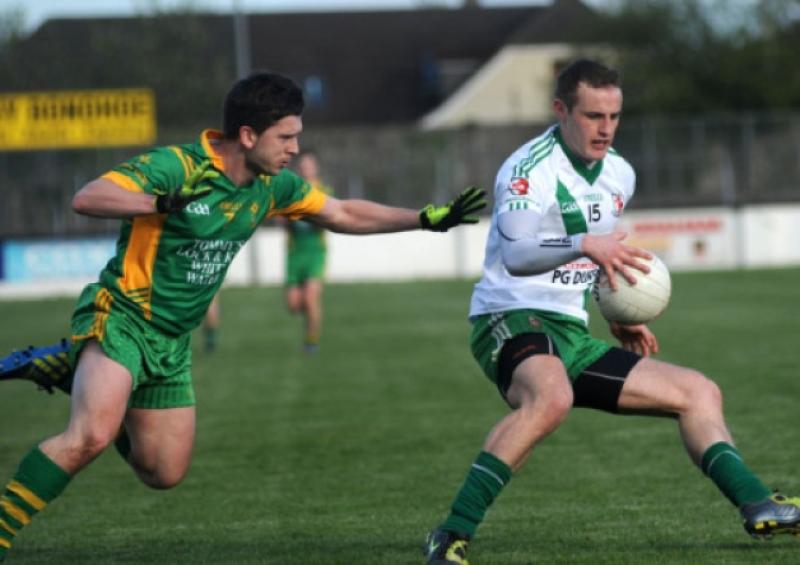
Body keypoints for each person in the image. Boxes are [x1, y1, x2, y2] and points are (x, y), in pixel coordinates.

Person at [0, 70, 486, 562]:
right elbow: (87, 197)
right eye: (286, 137)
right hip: (122, 316)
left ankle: (70, 368)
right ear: (249, 135)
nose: (295, 149)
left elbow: (340, 213)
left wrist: (422, 219)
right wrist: (159, 203)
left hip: (171, 343)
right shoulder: (178, 166)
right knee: (90, 437)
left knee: (163, 471)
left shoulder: (272, 186)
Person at [422, 59, 799, 565]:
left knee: (698, 392)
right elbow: (517, 253)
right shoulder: (527, 168)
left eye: (614, 116)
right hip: (510, 315)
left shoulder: (620, 173)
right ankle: (450, 535)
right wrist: (584, 243)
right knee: (551, 398)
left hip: (571, 330)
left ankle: (756, 503)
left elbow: (595, 257)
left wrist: (614, 307)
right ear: (561, 110)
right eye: (593, 115)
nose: (606, 129)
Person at [284, 149, 332, 354]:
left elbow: (330, 219)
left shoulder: (324, 191)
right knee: (293, 305)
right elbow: (283, 220)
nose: (305, 168)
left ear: (316, 168)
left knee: (311, 299)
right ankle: (310, 314)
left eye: (309, 164)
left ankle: (311, 341)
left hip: (315, 251)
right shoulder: (291, 190)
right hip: (295, 252)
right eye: (302, 165)